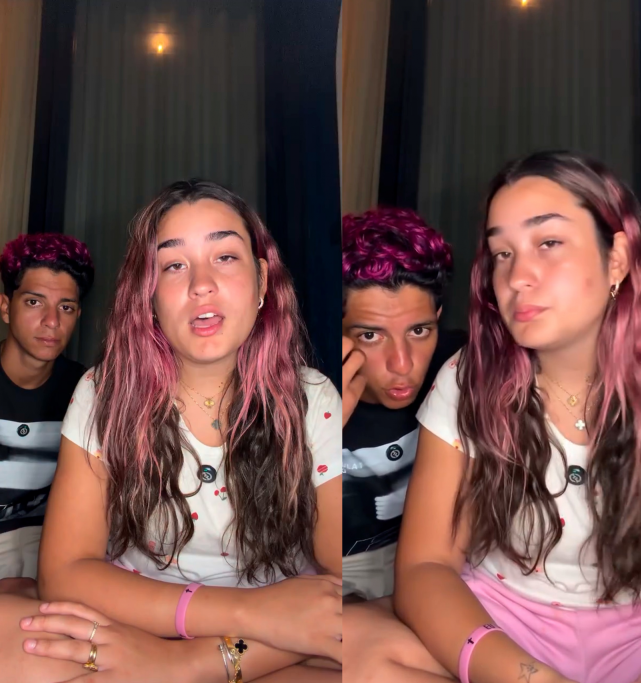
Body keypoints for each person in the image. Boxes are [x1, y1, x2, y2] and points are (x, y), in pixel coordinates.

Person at [343, 151, 641, 683]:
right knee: (356, 644)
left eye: (548, 243)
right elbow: (426, 567)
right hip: (505, 623)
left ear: (617, 258)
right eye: (502, 253)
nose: (518, 276)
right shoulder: (469, 377)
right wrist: (528, 676)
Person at [0, 180, 342, 682]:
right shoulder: (102, 392)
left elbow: (334, 595)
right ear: (148, 295)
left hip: (270, 641)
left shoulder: (313, 399)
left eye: (225, 256)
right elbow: (65, 572)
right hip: (143, 619)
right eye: (173, 265)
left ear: (263, 280)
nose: (201, 283)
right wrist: (241, 612)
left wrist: (190, 663)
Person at [341, 207, 467, 601]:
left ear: (438, 317)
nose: (402, 364)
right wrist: (320, 424)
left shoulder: (461, 369)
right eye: (371, 335)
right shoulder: (299, 388)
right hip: (335, 571)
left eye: (418, 330)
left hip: (440, 561)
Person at [0, 234, 92, 583]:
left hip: (55, 556)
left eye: (65, 307)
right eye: (34, 302)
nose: (52, 321)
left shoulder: (89, 392)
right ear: (6, 307)